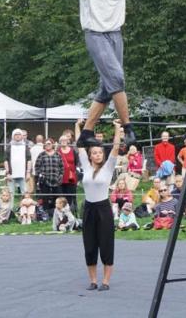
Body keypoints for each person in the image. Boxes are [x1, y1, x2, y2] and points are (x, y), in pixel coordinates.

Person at [20, 0, 179, 149]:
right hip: (96, 35)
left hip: (116, 35)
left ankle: (86, 132)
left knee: (107, 88)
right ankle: (128, 128)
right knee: (117, 79)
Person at [78, 119, 122, 291]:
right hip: (89, 209)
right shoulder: (86, 168)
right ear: (90, 155)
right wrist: (78, 126)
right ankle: (93, 280)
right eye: (94, 153)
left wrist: (117, 128)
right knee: (89, 245)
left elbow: (116, 148)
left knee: (106, 244)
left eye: (100, 153)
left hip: (103, 209)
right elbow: (80, 145)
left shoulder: (108, 168)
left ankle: (105, 281)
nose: (98, 155)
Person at [35, 138, 64, 213]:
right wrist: (40, 176)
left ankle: (57, 213)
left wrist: (60, 176)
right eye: (46, 144)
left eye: (49, 143)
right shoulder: (41, 155)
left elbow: (61, 167)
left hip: (56, 179)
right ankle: (45, 213)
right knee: (45, 197)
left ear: (52, 145)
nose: (47, 145)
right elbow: (37, 167)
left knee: (58, 197)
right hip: (45, 180)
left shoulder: (58, 154)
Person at [5, 129, 32, 196]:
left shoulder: (25, 146)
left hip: (23, 174)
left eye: (19, 134)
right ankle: (9, 207)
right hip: (11, 174)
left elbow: (29, 160)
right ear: (13, 136)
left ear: (22, 136)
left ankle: (24, 206)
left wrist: (28, 172)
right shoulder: (9, 147)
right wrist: (8, 173)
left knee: (25, 193)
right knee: (10, 194)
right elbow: (6, 160)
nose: (17, 136)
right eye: (16, 134)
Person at [58, 134, 79, 212]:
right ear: (59, 142)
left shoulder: (73, 150)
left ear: (68, 141)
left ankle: (71, 210)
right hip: (61, 176)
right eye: (61, 140)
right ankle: (62, 210)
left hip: (71, 176)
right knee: (62, 194)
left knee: (71, 194)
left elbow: (76, 162)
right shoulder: (58, 151)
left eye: (65, 140)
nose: (63, 142)